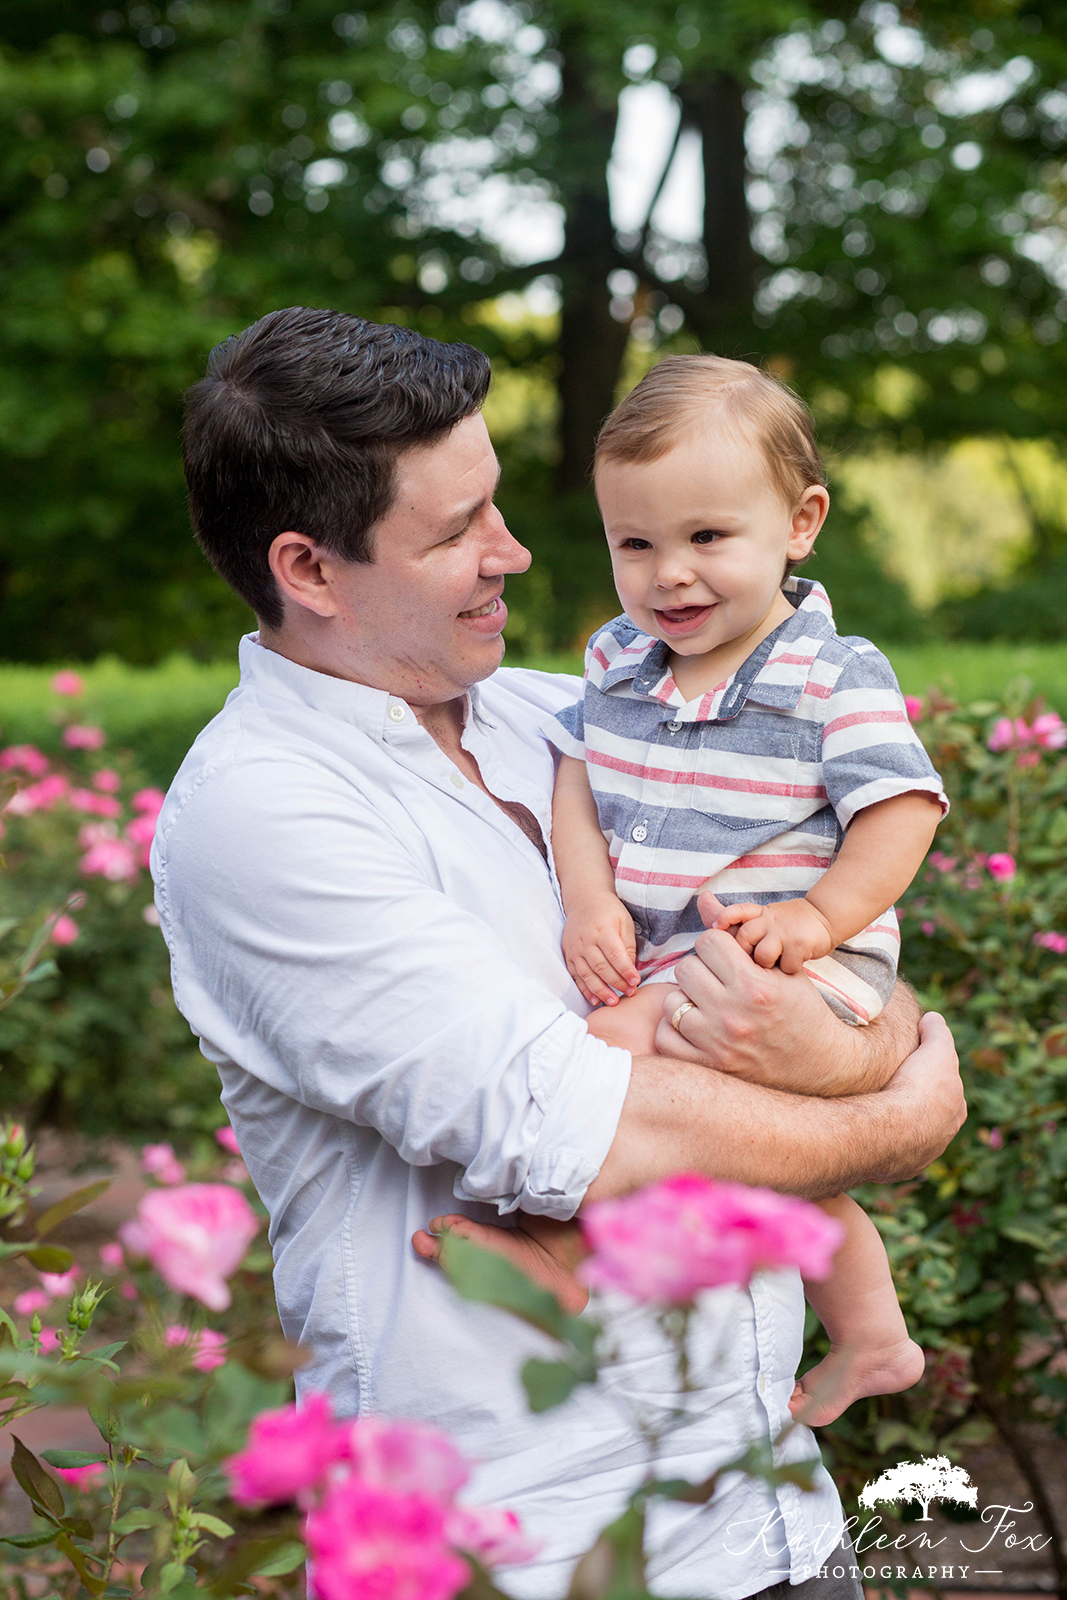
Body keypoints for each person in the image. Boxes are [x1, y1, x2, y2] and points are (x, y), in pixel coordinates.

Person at [154, 307, 965, 1600]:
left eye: (499, 506)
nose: (514, 554)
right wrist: (903, 1105)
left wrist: (845, 1030)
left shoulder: (566, 715)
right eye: (456, 529)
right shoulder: (264, 815)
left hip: (764, 1513)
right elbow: (573, 1131)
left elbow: (818, 913)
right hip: (529, 1549)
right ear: (308, 570)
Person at [543, 355, 949, 1428]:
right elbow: (573, 780)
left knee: (605, 1056)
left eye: (706, 538)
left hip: (806, 962)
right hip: (688, 957)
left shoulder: (828, 674)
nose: (668, 574)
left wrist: (816, 919)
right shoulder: (617, 663)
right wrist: (590, 901)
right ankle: (873, 1337)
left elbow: (899, 808)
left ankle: (556, 1253)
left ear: (799, 521)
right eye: (635, 543)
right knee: (767, 1162)